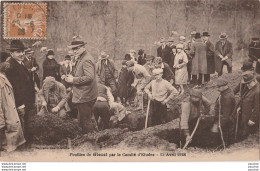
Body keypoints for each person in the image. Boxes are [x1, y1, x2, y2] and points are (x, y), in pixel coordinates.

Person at [65, 37, 98, 134]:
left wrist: (73, 80)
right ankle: (92, 136)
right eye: (73, 49)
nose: (74, 51)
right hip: (84, 94)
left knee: (85, 121)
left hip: (86, 95)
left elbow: (89, 77)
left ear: (83, 47)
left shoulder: (86, 59)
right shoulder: (82, 57)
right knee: (85, 119)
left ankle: (89, 141)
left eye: (76, 48)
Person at [5, 40, 35, 144]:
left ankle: (27, 144)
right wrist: (20, 104)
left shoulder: (21, 64)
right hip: (20, 103)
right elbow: (15, 88)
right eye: (18, 52)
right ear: (11, 53)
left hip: (27, 101)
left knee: (27, 124)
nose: (21, 54)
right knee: (21, 125)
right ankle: (22, 147)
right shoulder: (11, 67)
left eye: (22, 51)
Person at [0, 57, 26, 152]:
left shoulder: (5, 75)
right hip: (5, 109)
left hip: (9, 107)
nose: (8, 64)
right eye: (5, 62)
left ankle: (11, 146)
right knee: (8, 126)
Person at [211, 78, 236, 145]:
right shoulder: (226, 92)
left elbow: (226, 115)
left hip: (225, 121)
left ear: (225, 86)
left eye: (219, 87)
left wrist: (217, 124)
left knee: (225, 136)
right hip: (223, 118)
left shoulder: (226, 97)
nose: (217, 89)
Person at [236, 71, 259, 140]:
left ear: (254, 80)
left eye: (248, 83)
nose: (247, 85)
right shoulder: (251, 88)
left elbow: (257, 107)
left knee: (246, 135)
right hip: (245, 115)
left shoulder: (257, 91)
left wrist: (252, 119)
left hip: (249, 118)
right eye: (246, 83)